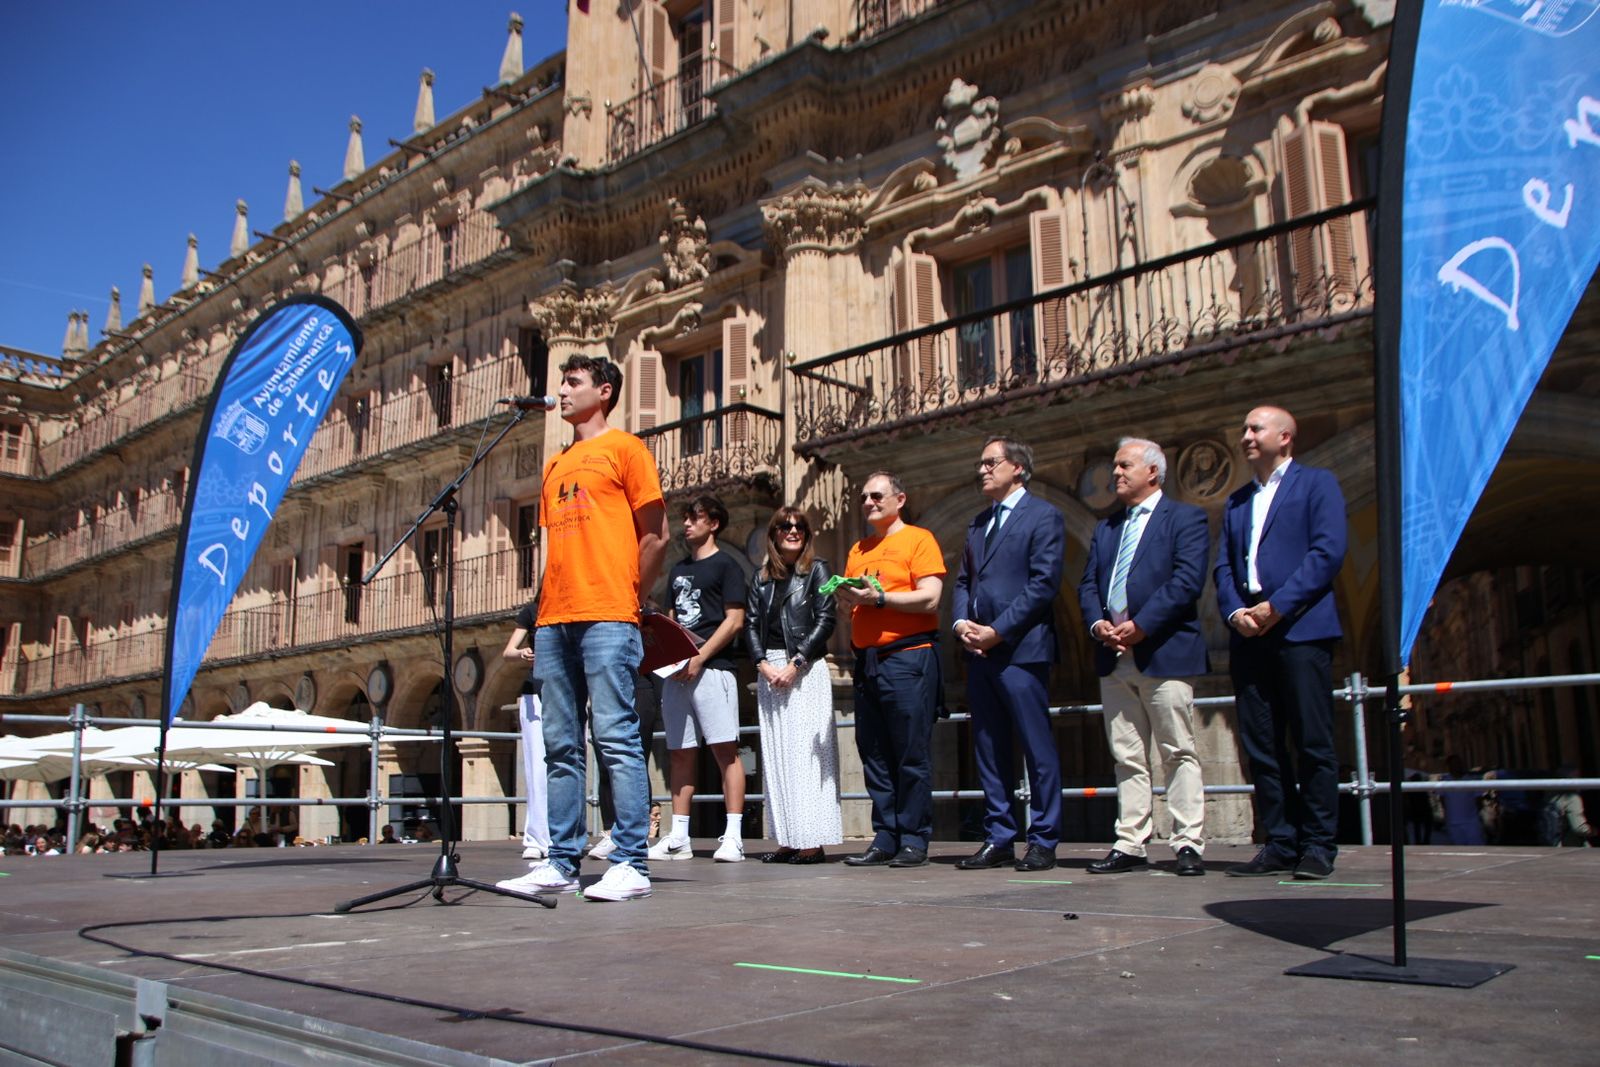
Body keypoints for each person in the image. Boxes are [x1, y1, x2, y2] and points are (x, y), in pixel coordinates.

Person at [496, 352, 669, 903]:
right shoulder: (554, 466)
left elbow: (656, 535)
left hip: (609, 615)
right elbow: (558, 549)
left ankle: (632, 862)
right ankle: (561, 861)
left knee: (617, 738)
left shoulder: (625, 449)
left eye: (573, 383)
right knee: (559, 745)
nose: (563, 392)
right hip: (554, 619)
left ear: (606, 392)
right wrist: (545, 608)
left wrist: (627, 595)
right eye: (562, 383)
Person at [1215, 405, 1347, 880]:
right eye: (1244, 427)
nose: (1246, 435)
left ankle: (1317, 844)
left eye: (1256, 428)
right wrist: (1235, 612)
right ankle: (1280, 840)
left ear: (1286, 436)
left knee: (1313, 740)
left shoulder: (1317, 485)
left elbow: (1327, 552)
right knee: (1262, 743)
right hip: (1249, 634)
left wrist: (1278, 606)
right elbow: (1224, 568)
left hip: (1300, 629)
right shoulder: (1236, 502)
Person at [1077, 438, 1210, 876]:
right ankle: (1130, 842)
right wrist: (1099, 624)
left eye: (1124, 465)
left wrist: (1142, 625)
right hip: (1114, 656)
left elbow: (1187, 580)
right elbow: (1089, 585)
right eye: (1114, 465)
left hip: (1164, 651)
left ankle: (1188, 842)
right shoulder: (1107, 528)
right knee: (1127, 755)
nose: (1115, 473)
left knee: (1177, 750)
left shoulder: (1186, 519)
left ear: (1153, 472)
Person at [951, 436, 1066, 873]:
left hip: (1021, 651)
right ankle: (999, 835)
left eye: (990, 462)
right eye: (980, 463)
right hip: (979, 654)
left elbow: (1043, 584)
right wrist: (962, 624)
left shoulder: (1044, 516)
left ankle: (1043, 838)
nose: (982, 470)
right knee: (988, 747)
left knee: (1037, 748)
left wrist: (998, 631)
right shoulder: (978, 524)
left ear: (1017, 467)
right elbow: (964, 582)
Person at [835, 471, 945, 868]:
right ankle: (885, 836)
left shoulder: (919, 539)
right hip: (868, 661)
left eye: (877, 495)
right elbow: (857, 604)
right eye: (864, 497)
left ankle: (914, 838)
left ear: (900, 499)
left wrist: (880, 599)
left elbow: (931, 597)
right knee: (874, 751)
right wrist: (847, 601)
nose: (868, 502)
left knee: (910, 751)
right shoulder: (858, 549)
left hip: (908, 656)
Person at [650, 495, 750, 863]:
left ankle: (734, 836)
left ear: (714, 523)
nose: (687, 524)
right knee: (679, 752)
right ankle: (679, 836)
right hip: (678, 674)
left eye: (696, 518)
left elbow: (735, 620)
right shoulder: (677, 571)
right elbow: (672, 621)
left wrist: (700, 657)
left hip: (715, 669)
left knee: (725, 750)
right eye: (686, 518)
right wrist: (670, 658)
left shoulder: (728, 566)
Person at [743, 506, 841, 864]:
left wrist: (795, 662)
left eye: (799, 526)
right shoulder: (761, 577)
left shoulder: (817, 569)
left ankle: (812, 841)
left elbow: (826, 619)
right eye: (785, 526)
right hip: (770, 670)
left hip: (805, 668)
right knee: (776, 755)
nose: (793, 531)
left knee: (806, 757)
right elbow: (750, 624)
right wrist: (763, 664)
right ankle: (788, 838)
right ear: (774, 534)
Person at [501, 599, 551, 863]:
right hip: (535, 691)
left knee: (567, 763)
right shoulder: (532, 611)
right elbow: (508, 651)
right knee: (536, 767)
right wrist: (523, 653)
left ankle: (559, 835)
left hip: (567, 687)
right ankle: (535, 837)